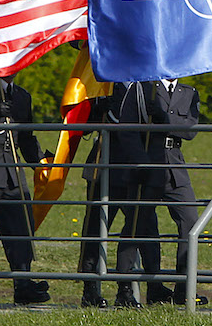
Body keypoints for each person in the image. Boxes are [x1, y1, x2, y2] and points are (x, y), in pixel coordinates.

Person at [114, 79, 207, 308]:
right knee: (136, 227)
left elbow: (190, 128)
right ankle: (124, 290)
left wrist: (165, 120)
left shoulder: (189, 92)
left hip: (174, 167)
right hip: (146, 165)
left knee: (190, 223)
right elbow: (126, 131)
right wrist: (142, 163)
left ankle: (184, 287)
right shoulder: (141, 88)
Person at [0, 75, 51, 306]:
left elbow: (25, 137)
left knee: (21, 230)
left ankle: (23, 283)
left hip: (12, 173)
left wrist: (40, 160)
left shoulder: (21, 96)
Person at [78, 82, 132, 308]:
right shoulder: (102, 86)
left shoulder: (146, 86)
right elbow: (83, 127)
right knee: (94, 229)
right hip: (102, 165)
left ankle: (128, 288)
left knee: (139, 228)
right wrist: (97, 108)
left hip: (132, 166)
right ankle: (90, 287)